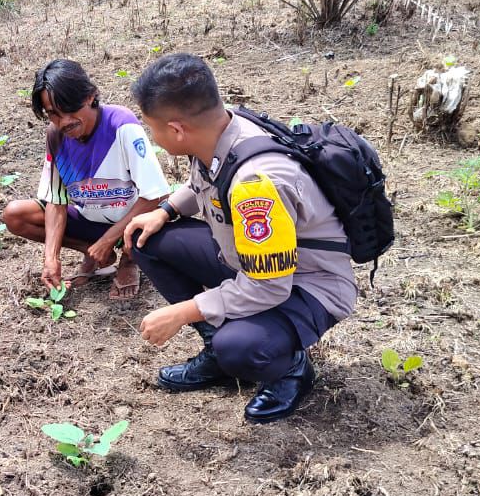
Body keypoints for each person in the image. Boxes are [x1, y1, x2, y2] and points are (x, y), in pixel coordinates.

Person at [123, 53, 356, 423]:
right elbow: (202, 182)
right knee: (145, 238)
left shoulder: (255, 186)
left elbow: (269, 289)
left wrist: (183, 312)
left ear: (177, 129)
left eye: (153, 128)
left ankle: (290, 370)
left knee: (240, 348)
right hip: (246, 260)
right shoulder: (221, 127)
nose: (154, 137)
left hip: (307, 283)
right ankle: (215, 352)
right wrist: (164, 211)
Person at [2, 59, 170, 300]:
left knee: (152, 225)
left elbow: (156, 195)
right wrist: (51, 258)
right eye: (53, 114)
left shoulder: (121, 124)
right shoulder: (56, 136)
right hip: (89, 219)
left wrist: (108, 239)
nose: (64, 122)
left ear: (91, 96)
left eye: (70, 109)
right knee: (15, 215)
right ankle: (92, 251)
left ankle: (129, 259)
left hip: (130, 221)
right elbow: (56, 201)